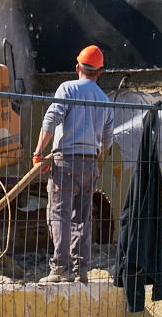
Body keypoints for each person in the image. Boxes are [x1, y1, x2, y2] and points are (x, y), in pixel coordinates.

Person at [33, 45, 114, 283]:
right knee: (83, 217)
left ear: (77, 67)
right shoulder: (105, 100)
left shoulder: (67, 88)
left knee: (60, 214)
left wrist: (39, 152)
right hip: (90, 164)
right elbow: (107, 141)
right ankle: (81, 271)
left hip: (65, 161)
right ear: (99, 73)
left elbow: (52, 118)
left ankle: (60, 269)